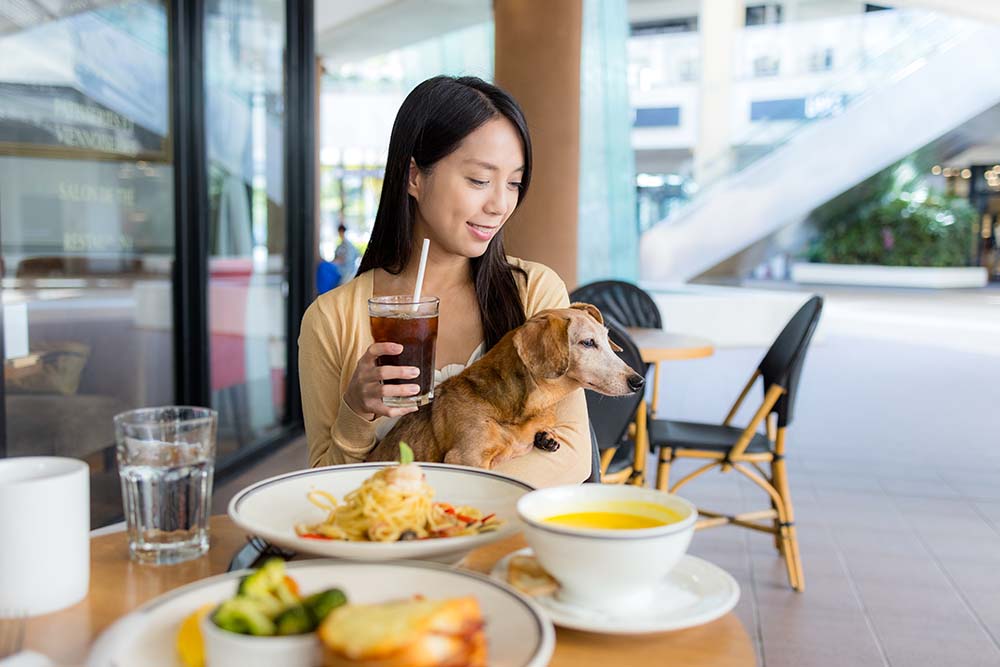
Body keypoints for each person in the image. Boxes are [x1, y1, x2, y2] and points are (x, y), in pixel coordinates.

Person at [298, 75, 591, 487]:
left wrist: (444, 510)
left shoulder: (535, 295)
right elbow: (320, 490)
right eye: (479, 180)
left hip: (505, 543)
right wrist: (355, 412)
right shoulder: (331, 320)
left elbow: (572, 456)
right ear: (414, 176)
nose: (501, 204)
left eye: (513, 182)